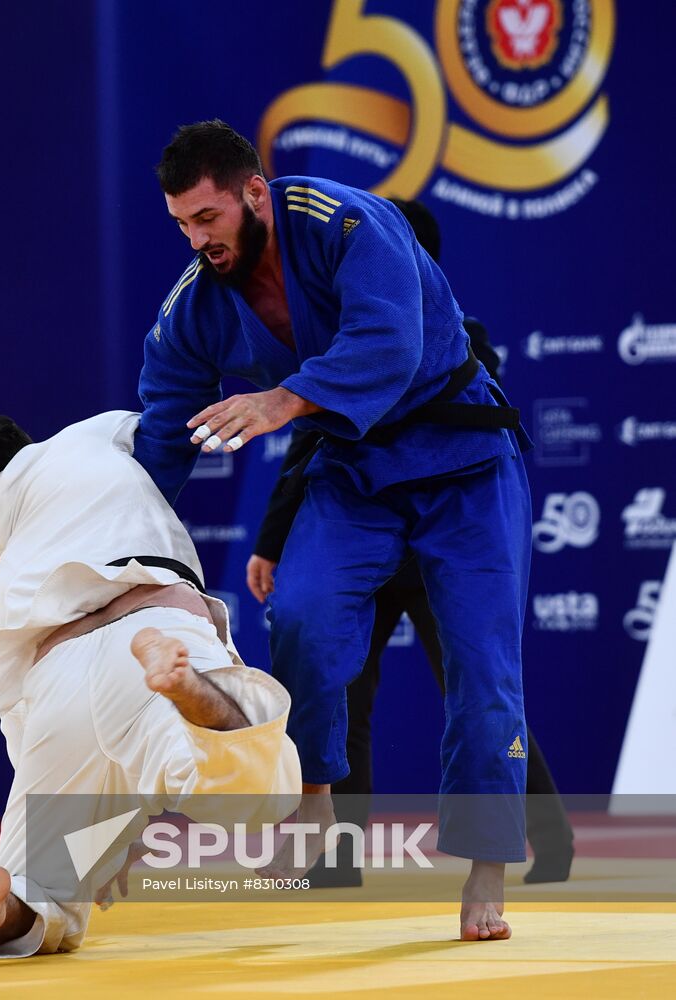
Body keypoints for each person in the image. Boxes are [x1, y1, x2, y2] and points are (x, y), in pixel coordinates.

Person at [134, 120, 532, 941]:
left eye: (207, 218)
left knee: (484, 672)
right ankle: (315, 792)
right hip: (355, 479)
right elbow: (163, 438)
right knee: (304, 619)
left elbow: (392, 341)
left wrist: (280, 401)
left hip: (462, 463)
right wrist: (104, 541)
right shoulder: (197, 306)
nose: (196, 238)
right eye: (180, 223)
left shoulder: (343, 218)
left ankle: (486, 862)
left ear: (253, 193)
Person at [246, 199, 574, 888]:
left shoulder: (461, 336)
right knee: (343, 691)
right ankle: (336, 858)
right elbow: (310, 443)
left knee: (480, 683)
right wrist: (274, 543)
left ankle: (548, 837)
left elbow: (478, 433)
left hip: (445, 541)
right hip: (363, 534)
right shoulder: (336, 342)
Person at [0, 410, 301, 968]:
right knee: (252, 796)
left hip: (53, 669)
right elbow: (169, 415)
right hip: (153, 622)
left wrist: (100, 833)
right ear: (26, 441)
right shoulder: (88, 435)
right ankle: (192, 693)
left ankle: (2, 911)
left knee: (41, 887)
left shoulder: (10, 569)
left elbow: (26, 730)